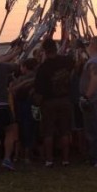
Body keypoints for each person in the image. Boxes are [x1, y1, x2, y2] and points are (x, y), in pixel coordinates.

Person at [34, 38, 74, 167]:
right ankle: (66, 159)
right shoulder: (66, 61)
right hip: (65, 99)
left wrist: (37, 105)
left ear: (45, 51)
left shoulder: (43, 68)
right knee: (64, 130)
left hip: (49, 102)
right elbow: (77, 64)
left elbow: (38, 89)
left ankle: (49, 159)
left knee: (48, 131)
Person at [79, 36, 97, 167]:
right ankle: (94, 156)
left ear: (93, 45)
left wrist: (87, 96)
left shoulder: (95, 62)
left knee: (94, 129)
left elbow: (94, 79)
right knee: (94, 128)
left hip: (94, 99)